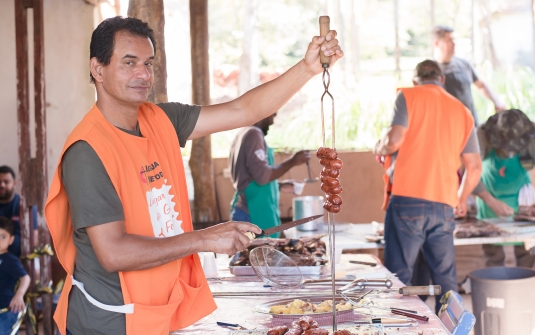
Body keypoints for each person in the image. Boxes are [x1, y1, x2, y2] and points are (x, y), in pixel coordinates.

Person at [44, 16, 342, 335]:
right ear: (98, 69)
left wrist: (307, 68)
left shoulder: (161, 119)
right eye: (129, 63)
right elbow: (114, 253)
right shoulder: (88, 151)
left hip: (157, 312)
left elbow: (244, 111)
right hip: (110, 322)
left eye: (149, 63)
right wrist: (204, 238)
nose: (143, 74)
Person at [374, 60, 482, 312]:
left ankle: (401, 329)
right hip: (444, 205)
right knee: (445, 280)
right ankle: (451, 328)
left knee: (400, 278)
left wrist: (379, 146)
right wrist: (460, 198)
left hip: (407, 201)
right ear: (442, 81)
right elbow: (474, 168)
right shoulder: (462, 110)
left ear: (416, 80)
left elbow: (393, 141)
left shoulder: (408, 96)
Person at [229, 113, 310, 237]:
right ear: (265, 113)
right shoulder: (254, 134)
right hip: (252, 214)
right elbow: (262, 176)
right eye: (273, 116)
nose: (272, 122)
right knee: (255, 254)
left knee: (250, 254)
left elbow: (249, 177)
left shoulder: (243, 133)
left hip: (246, 210)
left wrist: (278, 186)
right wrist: (293, 161)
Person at [473, 109, 535, 267]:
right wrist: (491, 201)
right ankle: (494, 289)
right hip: (489, 204)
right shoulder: (482, 136)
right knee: (493, 256)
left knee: (526, 254)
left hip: (523, 204)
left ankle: (523, 287)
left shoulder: (531, 136)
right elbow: (470, 171)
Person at [432, 25, 505, 126]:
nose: (453, 44)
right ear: (437, 43)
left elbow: (481, 85)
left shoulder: (464, 64)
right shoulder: (430, 69)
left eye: (453, 40)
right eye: (449, 41)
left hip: (470, 123)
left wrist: (496, 102)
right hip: (447, 127)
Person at [0, 217, 30, 335]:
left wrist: (19, 295)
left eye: (3, 237)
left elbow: (25, 277)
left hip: (5, 311)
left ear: (11, 240)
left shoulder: (10, 260)